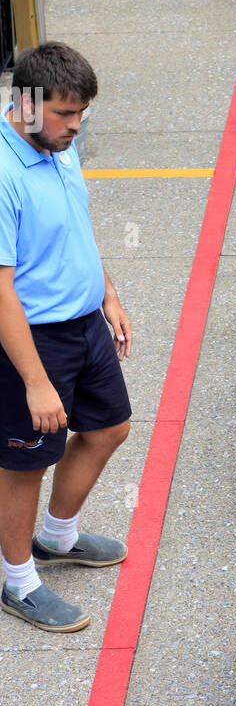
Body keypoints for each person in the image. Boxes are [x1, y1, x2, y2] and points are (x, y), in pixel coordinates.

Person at [0, 43, 132, 633]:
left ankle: (57, 537)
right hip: (33, 339)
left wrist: (109, 293)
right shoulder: (3, 174)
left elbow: (75, 225)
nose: (76, 126)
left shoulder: (58, 147)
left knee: (108, 427)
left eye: (83, 114)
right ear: (26, 103)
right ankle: (18, 580)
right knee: (25, 464)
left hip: (84, 322)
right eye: (65, 114)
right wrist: (34, 381)